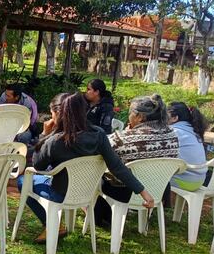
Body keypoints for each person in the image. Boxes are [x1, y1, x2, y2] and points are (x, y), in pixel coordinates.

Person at [19, 93, 154, 243]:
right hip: (88, 193)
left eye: (52, 113)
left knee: (22, 180)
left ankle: (51, 224)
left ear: (57, 113)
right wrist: (143, 192)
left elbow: (38, 165)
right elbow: (116, 166)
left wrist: (44, 134)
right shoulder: (99, 135)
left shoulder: (55, 141)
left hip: (61, 193)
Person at [94, 94, 179, 226]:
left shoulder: (121, 138)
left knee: (98, 174)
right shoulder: (172, 134)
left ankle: (97, 215)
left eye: (130, 113)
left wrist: (125, 133)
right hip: (158, 188)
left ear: (140, 117)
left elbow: (103, 149)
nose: (128, 116)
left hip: (126, 192)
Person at [168, 101, 208, 191]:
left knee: (153, 176)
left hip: (184, 182)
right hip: (199, 180)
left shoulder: (174, 132)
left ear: (174, 118)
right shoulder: (193, 130)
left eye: (165, 115)